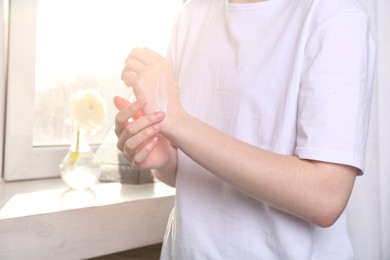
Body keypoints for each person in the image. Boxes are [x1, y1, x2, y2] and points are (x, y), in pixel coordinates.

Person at [115, 0, 375, 258]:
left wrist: (178, 124)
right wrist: (163, 156)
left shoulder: (334, 14)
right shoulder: (191, 14)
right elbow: (184, 173)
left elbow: (325, 197)